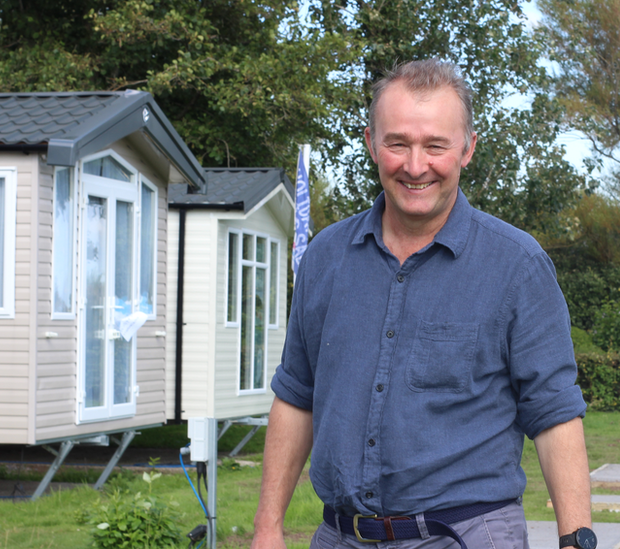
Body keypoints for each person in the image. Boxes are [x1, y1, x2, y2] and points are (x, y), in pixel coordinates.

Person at [251, 59, 594, 549]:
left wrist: (573, 540)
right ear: (371, 142)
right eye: (398, 143)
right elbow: (295, 395)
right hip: (338, 537)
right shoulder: (324, 257)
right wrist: (267, 529)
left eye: (435, 145)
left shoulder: (517, 266)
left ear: (467, 149)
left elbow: (555, 413)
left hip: (466, 536)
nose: (415, 166)